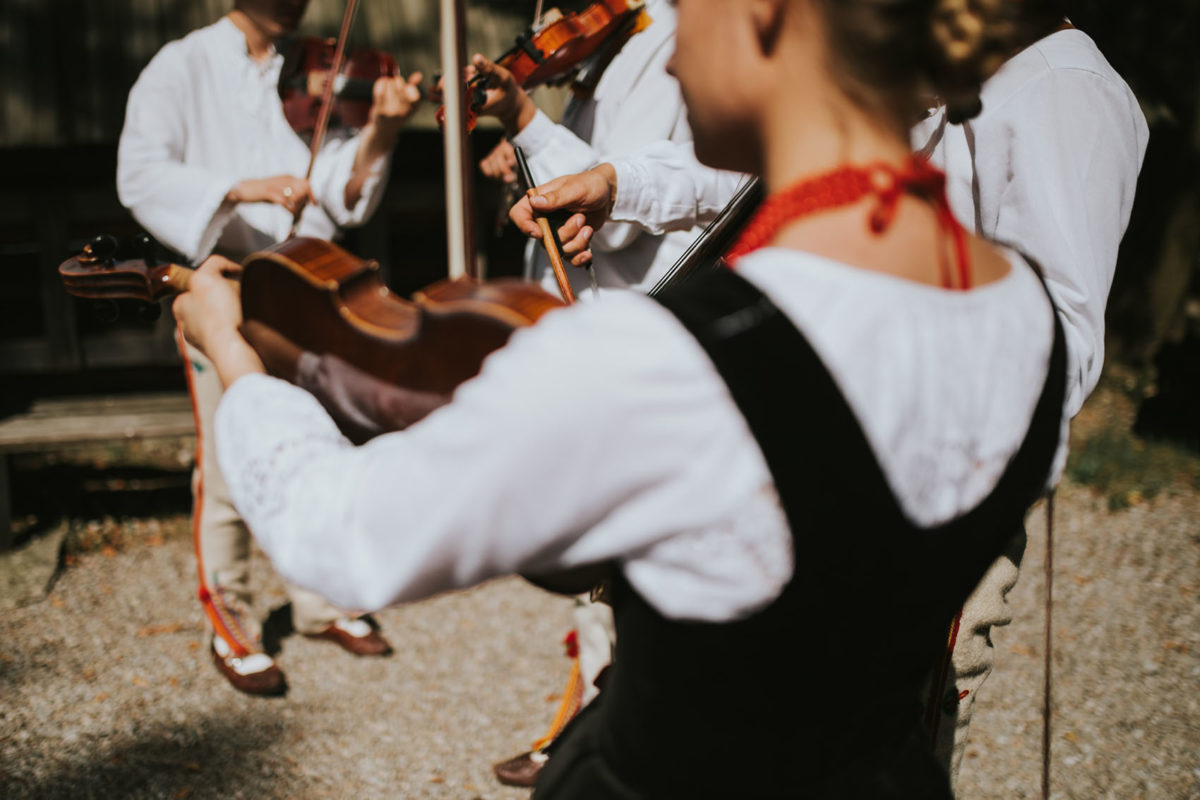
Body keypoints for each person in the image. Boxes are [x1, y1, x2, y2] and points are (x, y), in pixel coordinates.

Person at [176, 0, 1068, 795]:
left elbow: (344, 536)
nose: (673, 52)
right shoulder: (1024, 313)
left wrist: (232, 346)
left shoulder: (673, 361)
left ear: (766, 14)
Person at [116, 0, 423, 695]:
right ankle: (227, 611)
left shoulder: (314, 70)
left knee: (321, 437)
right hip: (222, 281)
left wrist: (383, 129)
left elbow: (343, 197)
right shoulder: (181, 66)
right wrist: (236, 188)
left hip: (310, 283)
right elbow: (138, 172)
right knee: (227, 463)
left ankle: (318, 597)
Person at [910, 4, 1147, 785]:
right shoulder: (972, 73)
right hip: (882, 471)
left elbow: (1064, 338)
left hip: (943, 494)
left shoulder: (1066, 89)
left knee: (898, 752)